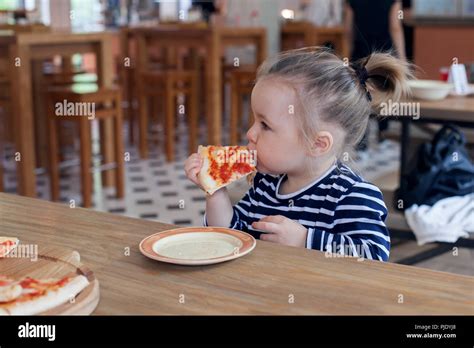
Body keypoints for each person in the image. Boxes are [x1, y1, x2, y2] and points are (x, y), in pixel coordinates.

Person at [185, 47, 412, 261]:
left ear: (316, 144)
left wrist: (305, 240)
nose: (250, 133)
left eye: (265, 125)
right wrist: (215, 192)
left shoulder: (353, 196)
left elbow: (374, 256)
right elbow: (233, 236)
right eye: (254, 121)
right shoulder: (266, 185)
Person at [345, 0, 407, 149]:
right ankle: (382, 133)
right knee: (383, 93)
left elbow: (348, 29)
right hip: (383, 54)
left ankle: (361, 140)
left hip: (360, 53)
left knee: (360, 96)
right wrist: (402, 59)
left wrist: (347, 54)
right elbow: (395, 27)